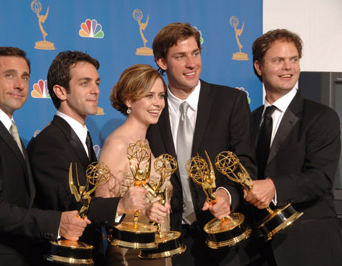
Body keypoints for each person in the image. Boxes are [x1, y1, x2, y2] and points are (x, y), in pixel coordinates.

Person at [0, 47, 88, 266]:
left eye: (25, 77)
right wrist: (55, 222)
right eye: (9, 75)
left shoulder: (6, 130)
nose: (20, 85)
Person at [146, 23, 257, 266]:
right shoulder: (150, 111)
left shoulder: (230, 102)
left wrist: (227, 194)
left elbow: (246, 162)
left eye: (195, 53)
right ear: (162, 63)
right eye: (180, 56)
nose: (192, 64)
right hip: (173, 241)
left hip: (226, 239)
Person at [27, 51, 149, 265]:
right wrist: (121, 204)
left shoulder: (80, 136)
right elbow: (71, 204)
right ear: (60, 91)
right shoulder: (50, 142)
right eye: (85, 83)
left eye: (97, 82)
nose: (96, 90)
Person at [246, 29, 342, 265]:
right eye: (278, 60)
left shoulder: (322, 116)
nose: (288, 67)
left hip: (308, 246)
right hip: (258, 250)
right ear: (259, 67)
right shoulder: (248, 120)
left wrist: (274, 187)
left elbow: (321, 177)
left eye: (294, 59)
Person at [95, 64, 172, 266]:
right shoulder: (118, 144)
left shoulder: (146, 143)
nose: (158, 103)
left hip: (156, 252)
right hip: (129, 255)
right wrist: (145, 209)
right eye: (149, 96)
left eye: (161, 95)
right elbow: (103, 207)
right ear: (129, 100)